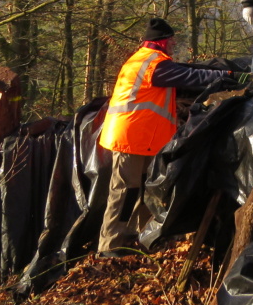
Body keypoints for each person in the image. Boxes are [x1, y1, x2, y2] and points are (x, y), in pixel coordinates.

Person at [96, 17, 241, 257]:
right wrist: (225, 76)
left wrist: (222, 71)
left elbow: (187, 70)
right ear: (161, 41)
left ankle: (140, 238)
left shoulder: (148, 60)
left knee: (146, 190)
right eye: (171, 40)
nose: (174, 44)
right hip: (130, 137)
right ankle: (110, 246)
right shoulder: (153, 64)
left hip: (142, 138)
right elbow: (191, 77)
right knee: (125, 191)